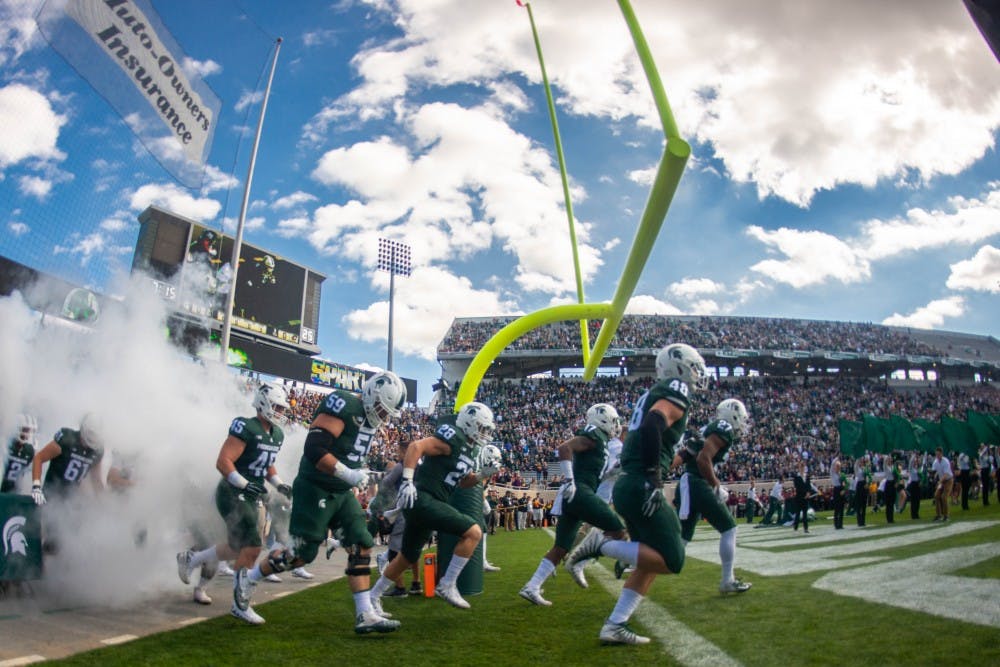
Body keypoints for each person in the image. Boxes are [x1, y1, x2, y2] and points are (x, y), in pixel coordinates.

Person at [226, 371, 407, 633]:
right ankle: (249, 578)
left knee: (362, 544)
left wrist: (359, 473)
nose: (384, 415)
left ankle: (365, 613)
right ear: (370, 394)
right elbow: (314, 449)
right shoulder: (343, 404)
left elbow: (349, 452)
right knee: (301, 556)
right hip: (316, 487)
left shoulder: (369, 419)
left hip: (341, 492)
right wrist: (347, 473)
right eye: (382, 407)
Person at [565, 342, 707, 645]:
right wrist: (655, 475)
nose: (697, 373)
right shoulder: (675, 387)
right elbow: (655, 421)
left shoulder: (654, 391)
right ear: (680, 367)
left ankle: (615, 625)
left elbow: (639, 431)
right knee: (672, 560)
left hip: (631, 480)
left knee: (649, 561)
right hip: (641, 480)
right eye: (694, 366)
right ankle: (600, 545)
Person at [176, 383, 293, 625]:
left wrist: (278, 483)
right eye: (277, 406)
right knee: (251, 546)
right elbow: (223, 461)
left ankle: (192, 559)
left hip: (252, 494)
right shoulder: (246, 427)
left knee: (236, 546)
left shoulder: (276, 434)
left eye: (283, 408)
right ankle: (241, 603)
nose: (281, 411)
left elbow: (266, 463)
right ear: (263, 403)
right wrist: (242, 483)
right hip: (232, 492)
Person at [370, 402, 498, 615]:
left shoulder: (471, 448)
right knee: (474, 532)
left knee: (407, 557)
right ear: (469, 423)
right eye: (482, 427)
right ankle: (447, 584)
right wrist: (408, 481)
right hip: (423, 499)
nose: (484, 433)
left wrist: (482, 475)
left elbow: (463, 482)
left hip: (426, 505)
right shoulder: (453, 438)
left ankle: (373, 597)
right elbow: (415, 447)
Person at [519, 403, 625, 605]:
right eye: (613, 420)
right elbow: (564, 448)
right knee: (618, 531)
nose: (616, 425)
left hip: (576, 494)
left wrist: (613, 472)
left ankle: (532, 586)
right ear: (602, 419)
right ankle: (580, 561)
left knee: (561, 548)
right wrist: (569, 480)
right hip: (579, 493)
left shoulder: (600, 441)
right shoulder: (593, 435)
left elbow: (594, 472)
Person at [672, 398, 753, 592]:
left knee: (680, 542)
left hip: (690, 483)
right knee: (729, 528)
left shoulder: (710, 428)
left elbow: (688, 456)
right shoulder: (723, 428)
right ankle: (727, 580)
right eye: (740, 418)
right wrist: (716, 485)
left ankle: (636, 560)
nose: (742, 422)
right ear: (733, 415)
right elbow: (703, 459)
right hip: (697, 483)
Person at [30, 413, 106, 505]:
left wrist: (103, 504)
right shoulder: (67, 439)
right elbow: (39, 458)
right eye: (91, 433)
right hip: (51, 494)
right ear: (83, 428)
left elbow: (96, 480)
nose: (93, 437)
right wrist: (36, 486)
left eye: (96, 434)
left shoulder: (97, 450)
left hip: (71, 501)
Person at [2, 414, 37, 494]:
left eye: (29, 431)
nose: (27, 434)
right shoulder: (6, 445)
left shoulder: (29, 450)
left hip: (14, 492)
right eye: (24, 430)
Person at [931, 447, 954, 522]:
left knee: (944, 497)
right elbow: (934, 471)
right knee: (936, 496)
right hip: (941, 481)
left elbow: (946, 474)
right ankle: (938, 515)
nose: (937, 456)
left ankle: (946, 516)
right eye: (936, 454)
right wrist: (933, 475)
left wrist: (939, 481)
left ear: (941, 454)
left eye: (938, 454)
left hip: (948, 480)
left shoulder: (946, 461)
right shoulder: (935, 462)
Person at [791, 461, 813, 533]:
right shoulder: (796, 477)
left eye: (803, 467)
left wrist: (808, 493)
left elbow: (809, 486)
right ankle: (796, 527)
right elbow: (798, 487)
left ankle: (805, 528)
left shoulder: (807, 476)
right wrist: (805, 492)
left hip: (806, 498)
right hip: (799, 498)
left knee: (805, 514)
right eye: (801, 467)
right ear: (799, 468)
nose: (802, 468)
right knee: (797, 513)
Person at [906, 451, 924, 520]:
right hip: (913, 484)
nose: (916, 463)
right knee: (913, 500)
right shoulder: (911, 469)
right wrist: (914, 455)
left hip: (918, 484)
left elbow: (922, 464)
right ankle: (913, 515)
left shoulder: (918, 469)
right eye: (915, 462)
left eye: (916, 462)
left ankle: (917, 514)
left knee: (917, 500)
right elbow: (910, 462)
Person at [854, 454, 870, 528]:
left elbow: (868, 476)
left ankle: (863, 521)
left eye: (862, 461)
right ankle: (859, 521)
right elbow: (856, 464)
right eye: (860, 461)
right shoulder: (857, 468)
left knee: (863, 504)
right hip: (860, 484)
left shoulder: (864, 468)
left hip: (864, 484)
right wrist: (859, 455)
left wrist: (867, 483)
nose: (861, 462)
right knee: (859, 504)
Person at [830, 456, 846, 529]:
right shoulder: (833, 473)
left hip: (841, 489)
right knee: (837, 508)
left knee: (842, 507)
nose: (838, 467)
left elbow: (845, 483)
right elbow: (832, 463)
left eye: (839, 466)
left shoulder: (841, 474)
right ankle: (836, 524)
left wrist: (844, 489)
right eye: (837, 466)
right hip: (836, 489)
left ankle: (841, 524)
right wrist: (838, 457)